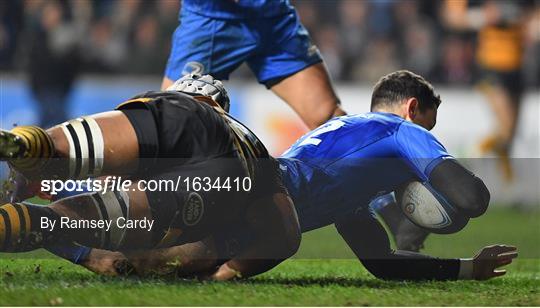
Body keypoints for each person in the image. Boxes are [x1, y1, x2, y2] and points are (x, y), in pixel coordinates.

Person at [16, 71, 517, 281]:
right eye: (430, 126)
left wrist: (467, 268)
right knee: (140, 243)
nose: (429, 140)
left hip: (241, 197)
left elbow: (382, 263)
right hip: (253, 208)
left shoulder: (343, 148)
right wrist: (428, 204)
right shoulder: (398, 130)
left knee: (118, 249)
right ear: (413, 109)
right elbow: (470, 198)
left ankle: (28, 197)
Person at [0, 74, 301, 281]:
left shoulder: (180, 105)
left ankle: (29, 147)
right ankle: (45, 219)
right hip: (225, 178)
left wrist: (56, 181)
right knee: (56, 222)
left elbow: (107, 178)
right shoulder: (254, 147)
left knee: (58, 149)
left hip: (180, 117)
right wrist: (226, 272)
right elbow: (286, 236)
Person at [162, 0, 345, 130]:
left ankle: (364, 180)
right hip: (210, 20)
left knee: (327, 118)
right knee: (172, 122)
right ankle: (147, 183)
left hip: (273, 18)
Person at [442, 0, 533, 181]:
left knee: (510, 135)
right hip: (490, 64)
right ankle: (468, 155)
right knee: (506, 128)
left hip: (517, 65)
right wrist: (483, 16)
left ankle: (509, 185)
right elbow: (452, 17)